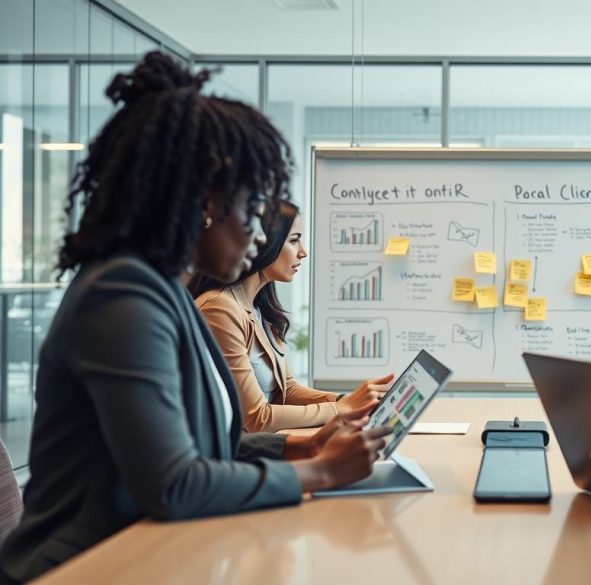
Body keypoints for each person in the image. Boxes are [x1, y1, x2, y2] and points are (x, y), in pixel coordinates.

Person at [0, 53, 391, 584]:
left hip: (160, 553)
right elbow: (174, 483)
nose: (259, 235)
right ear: (206, 205)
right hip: (92, 566)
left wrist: (303, 444)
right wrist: (319, 472)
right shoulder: (122, 296)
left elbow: (202, 443)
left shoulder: (170, 292)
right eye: (252, 208)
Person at [190, 201, 393, 432]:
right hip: (240, 455)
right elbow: (257, 418)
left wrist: (347, 401)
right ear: (264, 241)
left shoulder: (258, 305)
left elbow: (286, 390)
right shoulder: (220, 309)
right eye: (294, 240)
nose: (303, 252)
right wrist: (340, 409)